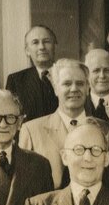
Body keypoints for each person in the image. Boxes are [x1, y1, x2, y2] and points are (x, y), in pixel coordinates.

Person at [18, 58, 89, 188]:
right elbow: (22, 185)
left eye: (80, 83)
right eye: (67, 84)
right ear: (55, 88)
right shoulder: (31, 130)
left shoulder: (104, 129)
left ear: (88, 88)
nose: (74, 89)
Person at [5, 25, 58, 121]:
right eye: (35, 42)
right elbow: (11, 117)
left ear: (55, 46)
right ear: (27, 51)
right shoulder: (16, 80)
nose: (42, 47)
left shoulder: (68, 75)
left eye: (46, 41)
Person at [85, 48, 109, 123]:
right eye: (96, 70)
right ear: (86, 75)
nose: (102, 76)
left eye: (107, 70)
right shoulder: (78, 104)